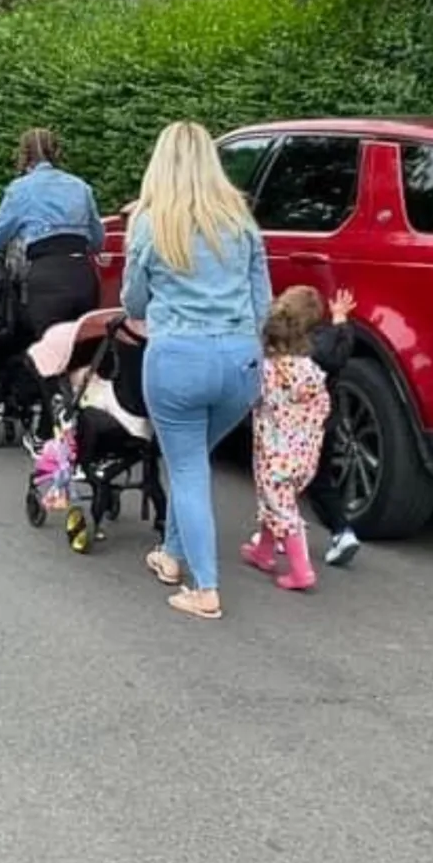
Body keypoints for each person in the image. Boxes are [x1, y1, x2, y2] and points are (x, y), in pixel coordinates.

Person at [121, 119, 270, 620]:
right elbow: (262, 303)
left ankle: (205, 588)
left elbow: (133, 301)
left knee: (185, 467)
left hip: (178, 359)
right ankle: (171, 555)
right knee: (194, 461)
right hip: (241, 361)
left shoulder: (150, 223)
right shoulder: (241, 220)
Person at [0, 128, 106, 337]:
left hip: (46, 279)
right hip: (83, 277)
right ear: (57, 152)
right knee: (79, 354)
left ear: (24, 155)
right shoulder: (81, 187)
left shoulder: (21, 189)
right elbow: (97, 241)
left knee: (44, 356)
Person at [241, 286, 334, 592]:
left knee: (281, 508)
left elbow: (254, 399)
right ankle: (264, 551)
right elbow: (323, 408)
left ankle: (301, 570)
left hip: (274, 454)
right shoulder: (311, 371)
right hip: (305, 453)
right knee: (277, 501)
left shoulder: (267, 370)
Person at [303, 289, 362, 567]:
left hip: (296, 429)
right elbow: (343, 343)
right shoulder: (331, 346)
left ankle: (280, 535)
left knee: (281, 484)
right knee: (322, 483)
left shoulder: (295, 350)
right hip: (326, 423)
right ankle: (343, 532)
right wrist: (340, 318)